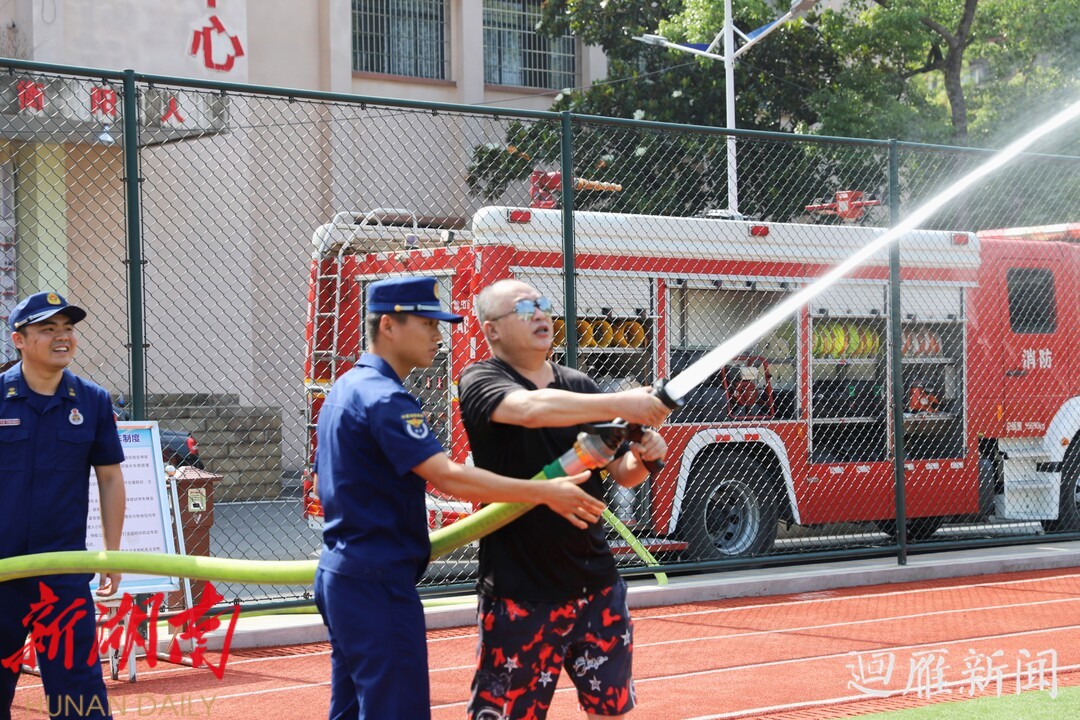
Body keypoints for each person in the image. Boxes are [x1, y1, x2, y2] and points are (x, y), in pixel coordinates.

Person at [312, 276, 605, 720]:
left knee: (351, 709)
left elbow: (322, 484)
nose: (439, 336)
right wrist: (543, 491)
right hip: (377, 580)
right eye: (428, 324)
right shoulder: (386, 398)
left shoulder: (345, 387)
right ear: (388, 325)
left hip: (341, 573)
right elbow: (447, 476)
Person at [459, 279, 672, 720]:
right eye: (525, 309)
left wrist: (646, 456)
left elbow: (622, 473)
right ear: (492, 329)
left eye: (542, 304)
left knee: (610, 712)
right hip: (519, 591)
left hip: (596, 586)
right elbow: (530, 409)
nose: (541, 314)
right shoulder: (481, 379)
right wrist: (621, 402)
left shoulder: (579, 385)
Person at [1, 291, 126, 720]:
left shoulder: (92, 400)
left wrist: (112, 554)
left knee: (78, 693)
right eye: (48, 329)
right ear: (19, 340)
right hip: (2, 571)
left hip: (63, 573)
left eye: (68, 328)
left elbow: (110, 478)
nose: (63, 337)